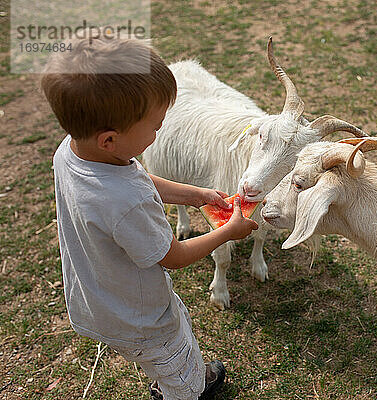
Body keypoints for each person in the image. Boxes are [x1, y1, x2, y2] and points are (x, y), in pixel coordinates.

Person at [42, 31, 259, 400]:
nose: (159, 131)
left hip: (102, 298)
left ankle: (174, 376)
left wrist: (197, 195)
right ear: (110, 139)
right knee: (173, 356)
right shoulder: (127, 203)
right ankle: (186, 387)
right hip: (141, 317)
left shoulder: (73, 152)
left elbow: (136, 175)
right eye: (156, 126)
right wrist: (228, 232)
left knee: (165, 352)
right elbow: (173, 256)